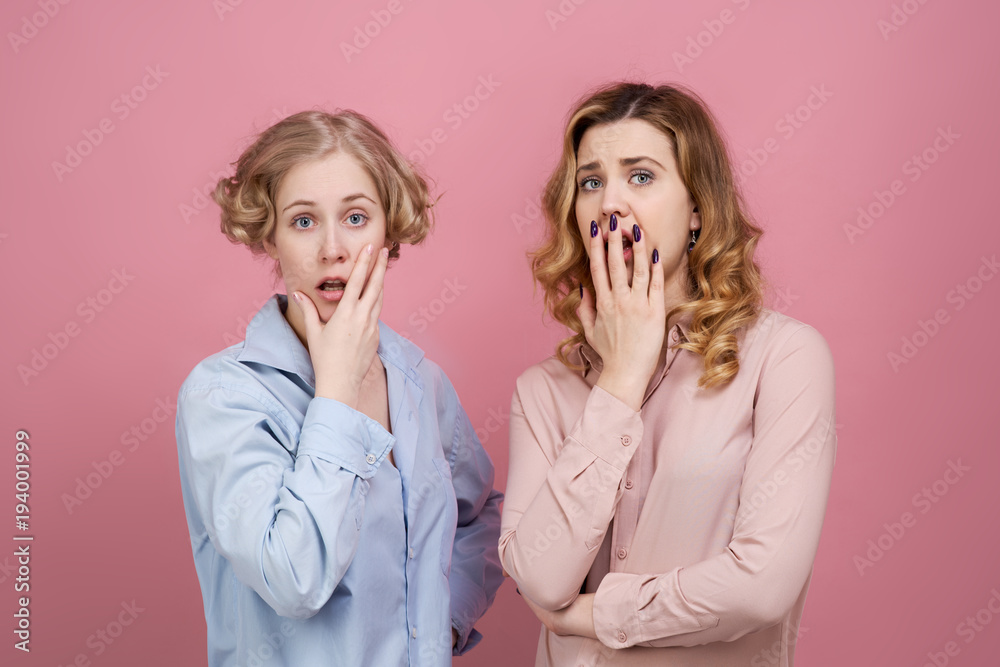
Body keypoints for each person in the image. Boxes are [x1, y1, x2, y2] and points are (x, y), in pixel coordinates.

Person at [498, 82, 836, 666]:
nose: (610, 204)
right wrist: (620, 381)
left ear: (698, 208)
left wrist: (594, 614)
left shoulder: (783, 359)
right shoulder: (541, 390)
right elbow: (541, 578)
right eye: (591, 181)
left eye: (642, 176)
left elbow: (760, 588)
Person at [175, 109, 503, 667]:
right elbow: (294, 579)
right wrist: (336, 393)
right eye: (304, 221)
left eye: (356, 217)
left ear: (388, 229)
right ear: (270, 236)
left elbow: (482, 517)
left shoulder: (421, 381)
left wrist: (441, 623)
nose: (334, 248)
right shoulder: (222, 395)